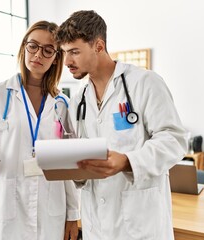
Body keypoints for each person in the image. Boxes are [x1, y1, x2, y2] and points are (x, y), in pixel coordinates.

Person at [55, 10, 188, 240]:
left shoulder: (144, 83)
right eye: (65, 52)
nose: (67, 61)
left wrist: (128, 161)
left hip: (140, 226)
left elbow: (174, 139)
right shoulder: (79, 100)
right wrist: (71, 168)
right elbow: (84, 159)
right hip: (96, 225)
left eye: (74, 52)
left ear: (98, 46)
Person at [0, 21, 80, 240]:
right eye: (33, 45)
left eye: (48, 50)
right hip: (7, 204)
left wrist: (73, 214)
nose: (38, 55)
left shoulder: (62, 103)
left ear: (56, 58)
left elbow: (68, 165)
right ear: (24, 47)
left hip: (50, 204)